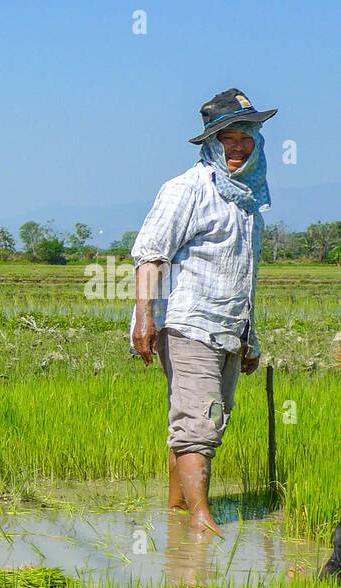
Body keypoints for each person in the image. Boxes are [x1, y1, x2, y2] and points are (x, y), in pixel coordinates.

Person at [131, 89, 276, 537]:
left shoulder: (249, 200)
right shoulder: (187, 188)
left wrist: (250, 338)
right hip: (189, 323)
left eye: (246, 135)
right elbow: (151, 255)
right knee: (200, 422)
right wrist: (145, 317)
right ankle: (199, 520)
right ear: (211, 143)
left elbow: (243, 275)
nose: (238, 145)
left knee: (205, 417)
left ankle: (177, 511)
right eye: (228, 137)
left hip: (229, 328)